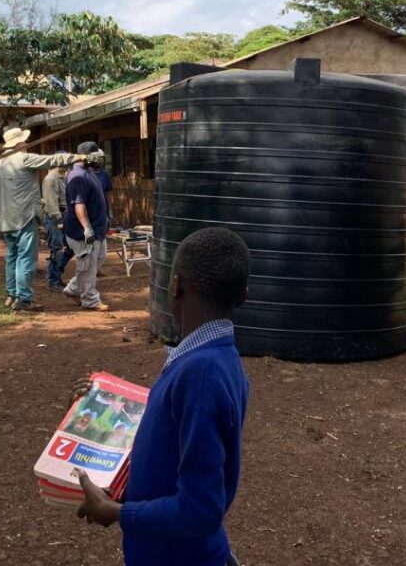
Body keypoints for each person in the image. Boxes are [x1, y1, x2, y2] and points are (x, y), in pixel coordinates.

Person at [75, 227, 251, 566]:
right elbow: (167, 441)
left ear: (177, 286)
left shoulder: (200, 376)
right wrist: (91, 410)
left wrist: (117, 513)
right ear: (244, 295)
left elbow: (200, 510)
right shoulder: (213, 361)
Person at [0, 127, 82, 312]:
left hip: (5, 219)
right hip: (24, 217)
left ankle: (12, 294)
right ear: (19, 143)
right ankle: (24, 298)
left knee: (12, 257)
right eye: (24, 141)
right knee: (26, 258)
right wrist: (79, 157)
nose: (27, 143)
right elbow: (52, 160)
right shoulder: (24, 158)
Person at [62, 142, 109, 311]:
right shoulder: (77, 176)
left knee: (99, 258)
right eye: (96, 155)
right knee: (88, 266)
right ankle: (90, 300)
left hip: (98, 229)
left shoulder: (89, 172)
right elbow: (78, 205)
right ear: (86, 157)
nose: (100, 159)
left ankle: (73, 289)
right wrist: (86, 227)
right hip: (82, 232)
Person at [42, 166, 73, 291]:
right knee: (56, 248)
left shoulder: (63, 177)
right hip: (54, 216)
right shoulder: (51, 179)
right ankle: (53, 280)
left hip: (64, 214)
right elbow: (51, 201)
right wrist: (59, 219)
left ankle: (57, 274)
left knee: (70, 247)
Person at [92, 159, 114, 277]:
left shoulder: (104, 175)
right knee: (93, 246)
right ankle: (91, 271)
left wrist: (109, 210)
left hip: (103, 213)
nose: (99, 162)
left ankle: (96, 269)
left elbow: (108, 194)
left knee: (102, 247)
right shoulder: (86, 175)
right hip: (92, 215)